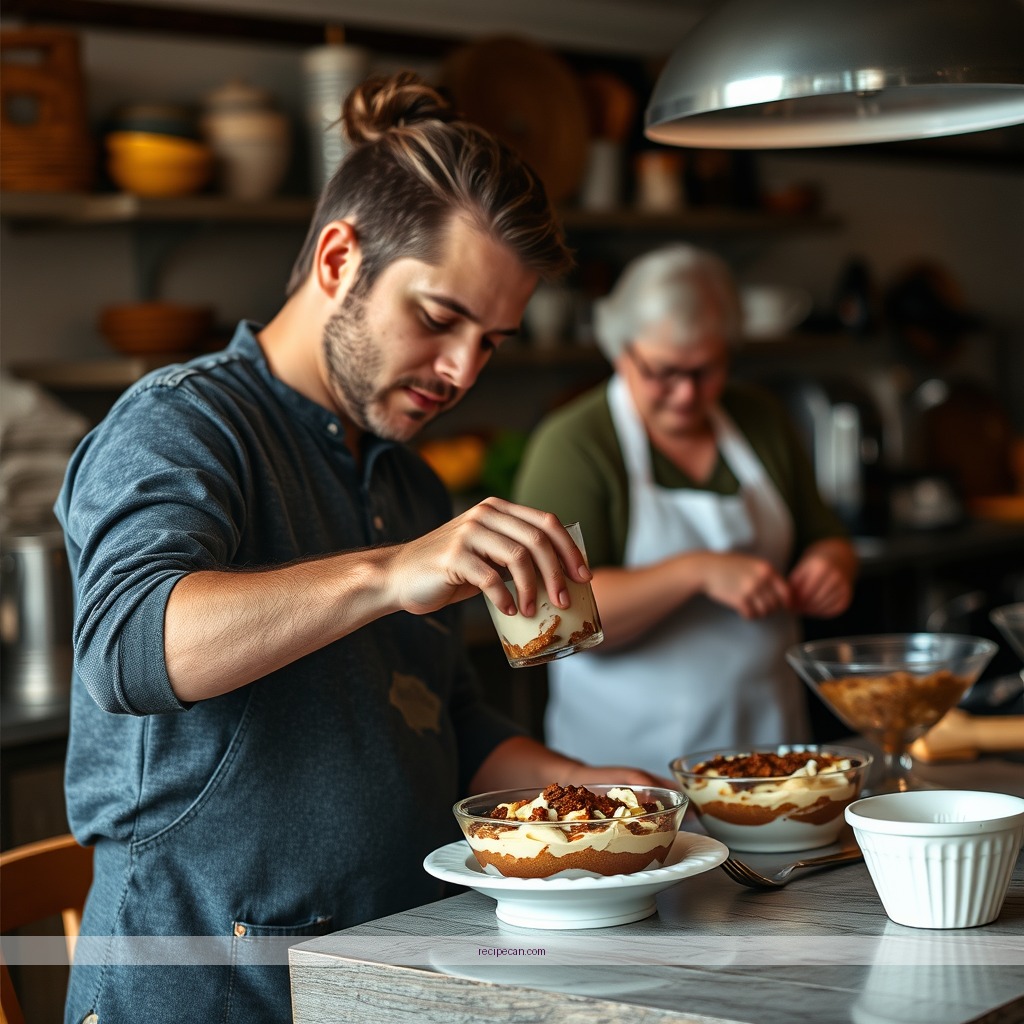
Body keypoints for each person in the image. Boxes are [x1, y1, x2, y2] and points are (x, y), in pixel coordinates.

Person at [56, 72, 660, 1024]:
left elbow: (441, 721)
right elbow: (129, 650)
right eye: (439, 317)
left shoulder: (406, 480)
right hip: (209, 992)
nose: (462, 370)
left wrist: (573, 785)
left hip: (392, 981)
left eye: (492, 341)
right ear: (339, 258)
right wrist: (389, 573)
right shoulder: (182, 425)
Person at [513, 244, 859, 776]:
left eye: (707, 370)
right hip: (628, 767)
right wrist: (696, 572)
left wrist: (832, 564)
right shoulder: (575, 443)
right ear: (620, 351)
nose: (685, 394)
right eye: (662, 372)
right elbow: (553, 623)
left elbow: (824, 533)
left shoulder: (760, 419)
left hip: (770, 746)